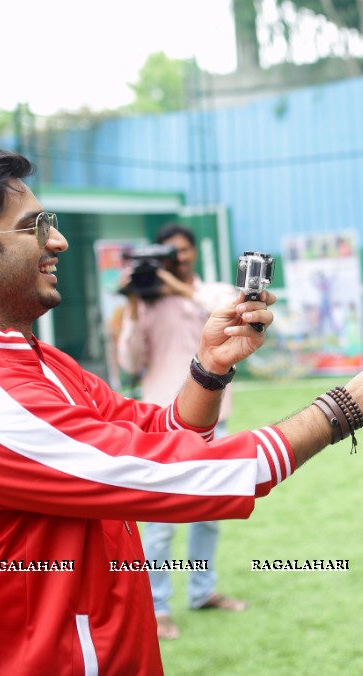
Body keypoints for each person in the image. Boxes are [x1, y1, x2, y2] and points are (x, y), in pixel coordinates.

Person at [0, 149, 363, 674]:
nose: (57, 240)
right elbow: (183, 477)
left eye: (49, 223)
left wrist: (209, 367)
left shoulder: (35, 358)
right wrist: (344, 408)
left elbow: (158, 433)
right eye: (33, 228)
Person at [115, 223, 245, 640]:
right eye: (168, 253)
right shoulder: (147, 303)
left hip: (214, 413)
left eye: (182, 251)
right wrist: (134, 304)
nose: (177, 258)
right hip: (160, 418)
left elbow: (229, 309)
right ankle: (157, 605)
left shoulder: (214, 292)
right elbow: (129, 363)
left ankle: (203, 591)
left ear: (191, 254)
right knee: (160, 520)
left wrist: (176, 285)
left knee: (210, 511)